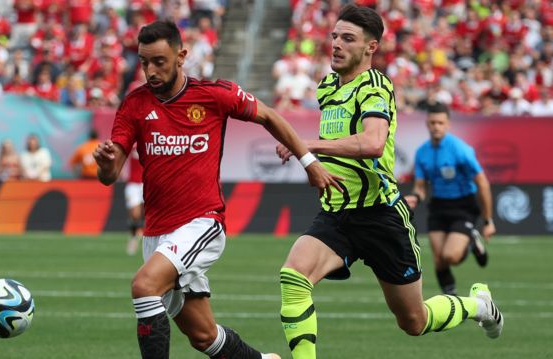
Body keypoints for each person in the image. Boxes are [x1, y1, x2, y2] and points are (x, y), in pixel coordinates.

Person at [93, 20, 339, 359]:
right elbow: (110, 174)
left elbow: (268, 116)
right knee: (204, 336)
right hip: (157, 234)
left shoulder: (212, 96)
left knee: (144, 286)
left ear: (181, 56)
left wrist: (309, 162)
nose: (150, 70)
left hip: (201, 222)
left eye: (159, 61)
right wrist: (105, 162)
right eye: (144, 61)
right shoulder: (134, 104)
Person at [274, 6, 503, 359]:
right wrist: (312, 166)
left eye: (347, 39)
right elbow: (335, 142)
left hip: (381, 215)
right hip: (337, 213)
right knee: (293, 276)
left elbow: (372, 143)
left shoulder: (375, 86)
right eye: (334, 36)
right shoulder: (326, 87)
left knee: (414, 321)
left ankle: (479, 306)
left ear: (370, 47)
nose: (336, 44)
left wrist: (306, 145)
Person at [404, 102, 496, 295]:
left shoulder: (460, 149)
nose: (436, 126)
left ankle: (472, 241)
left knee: (451, 256)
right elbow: (420, 187)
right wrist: (415, 197)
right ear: (427, 125)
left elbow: (483, 183)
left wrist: (488, 221)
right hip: (438, 206)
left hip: (463, 206)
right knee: (439, 260)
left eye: (440, 122)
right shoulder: (422, 153)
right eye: (432, 122)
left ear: (448, 124)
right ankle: (451, 298)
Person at [124, 147, 144, 256]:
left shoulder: (151, 142)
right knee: (135, 214)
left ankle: (142, 235)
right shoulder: (132, 145)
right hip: (133, 184)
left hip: (147, 182)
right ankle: (133, 236)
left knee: (148, 213)